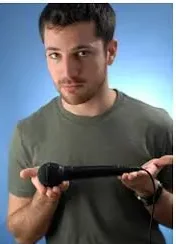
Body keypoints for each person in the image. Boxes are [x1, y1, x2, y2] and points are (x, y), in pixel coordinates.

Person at [6, 3, 173, 244]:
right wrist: (45, 200)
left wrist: (151, 192)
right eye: (54, 55)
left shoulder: (157, 124)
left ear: (110, 52)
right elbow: (22, 235)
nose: (67, 72)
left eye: (82, 53)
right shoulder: (27, 132)